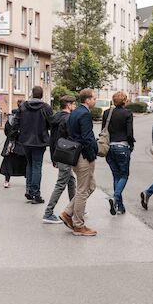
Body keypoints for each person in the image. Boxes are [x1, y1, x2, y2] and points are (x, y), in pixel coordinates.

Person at [60, 89, 98, 236]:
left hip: (76, 154)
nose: (95, 100)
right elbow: (87, 137)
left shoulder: (74, 112)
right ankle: (78, 225)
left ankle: (68, 213)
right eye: (94, 98)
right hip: (84, 156)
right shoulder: (84, 114)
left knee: (91, 186)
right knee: (83, 190)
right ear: (87, 100)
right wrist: (92, 155)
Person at [42, 95, 77, 224]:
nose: (75, 106)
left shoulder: (56, 117)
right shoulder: (68, 119)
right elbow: (71, 138)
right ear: (68, 105)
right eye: (74, 104)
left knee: (71, 180)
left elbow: (53, 139)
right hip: (66, 154)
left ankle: (74, 207)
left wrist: (54, 157)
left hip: (58, 153)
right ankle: (48, 212)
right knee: (61, 183)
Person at [17, 85, 53, 204]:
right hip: (39, 140)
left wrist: (14, 138)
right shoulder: (46, 107)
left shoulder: (23, 106)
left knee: (30, 164)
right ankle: (35, 193)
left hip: (25, 139)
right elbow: (51, 123)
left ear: (32, 94)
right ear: (41, 95)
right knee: (37, 166)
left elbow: (16, 122)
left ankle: (28, 190)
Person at [104, 91, 135, 215]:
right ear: (124, 101)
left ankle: (120, 206)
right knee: (124, 175)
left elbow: (104, 130)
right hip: (122, 147)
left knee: (116, 176)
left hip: (109, 148)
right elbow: (129, 133)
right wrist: (131, 145)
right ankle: (115, 198)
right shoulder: (127, 113)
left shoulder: (107, 113)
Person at [0, 101, 27, 188]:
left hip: (11, 143)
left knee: (8, 162)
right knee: (26, 162)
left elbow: (6, 131)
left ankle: (6, 181)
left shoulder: (11, 118)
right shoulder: (26, 117)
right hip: (22, 143)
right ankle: (28, 181)